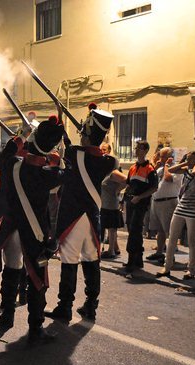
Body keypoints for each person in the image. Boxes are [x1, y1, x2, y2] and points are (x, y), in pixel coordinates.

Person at [46, 103, 126, 322]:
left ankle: (65, 306)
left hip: (73, 216)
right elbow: (91, 152)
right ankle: (91, 305)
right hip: (91, 217)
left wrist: (63, 123)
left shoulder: (73, 153)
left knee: (69, 261)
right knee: (91, 261)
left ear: (87, 133)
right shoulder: (108, 161)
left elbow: (67, 147)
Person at [0, 116, 64, 343]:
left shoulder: (12, 163)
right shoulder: (50, 174)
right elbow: (65, 171)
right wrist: (56, 160)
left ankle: (7, 314)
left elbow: (6, 152)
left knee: (12, 270)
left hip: (12, 227)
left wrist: (22, 135)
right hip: (34, 231)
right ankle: (35, 329)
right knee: (37, 279)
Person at [157, 151, 195, 279]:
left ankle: (191, 269)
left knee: (192, 241)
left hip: (194, 210)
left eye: (192, 159)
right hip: (181, 208)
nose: (189, 161)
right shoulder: (188, 169)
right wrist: (187, 162)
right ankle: (167, 266)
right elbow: (171, 169)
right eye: (188, 158)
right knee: (172, 238)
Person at [122, 141, 158, 272]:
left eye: (139, 148)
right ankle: (137, 260)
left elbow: (154, 188)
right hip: (130, 202)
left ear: (146, 150)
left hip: (140, 204)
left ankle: (133, 260)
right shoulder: (133, 167)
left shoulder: (149, 168)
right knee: (132, 230)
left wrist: (140, 197)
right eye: (136, 148)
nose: (136, 150)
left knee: (135, 231)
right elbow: (128, 185)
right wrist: (123, 201)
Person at [146, 147, 182, 263]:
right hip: (157, 201)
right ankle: (159, 253)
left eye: (163, 156)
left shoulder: (177, 169)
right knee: (159, 230)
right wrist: (156, 167)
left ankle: (170, 256)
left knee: (169, 231)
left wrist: (167, 166)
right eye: (160, 156)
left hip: (168, 202)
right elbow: (150, 179)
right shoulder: (160, 168)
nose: (161, 158)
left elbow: (168, 178)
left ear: (170, 157)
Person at [99, 142, 125, 259]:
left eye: (104, 149)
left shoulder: (113, 171)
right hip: (104, 203)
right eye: (101, 149)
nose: (102, 151)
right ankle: (115, 249)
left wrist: (118, 190)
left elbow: (126, 180)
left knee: (111, 228)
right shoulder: (105, 170)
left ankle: (111, 251)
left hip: (110, 203)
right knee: (109, 227)